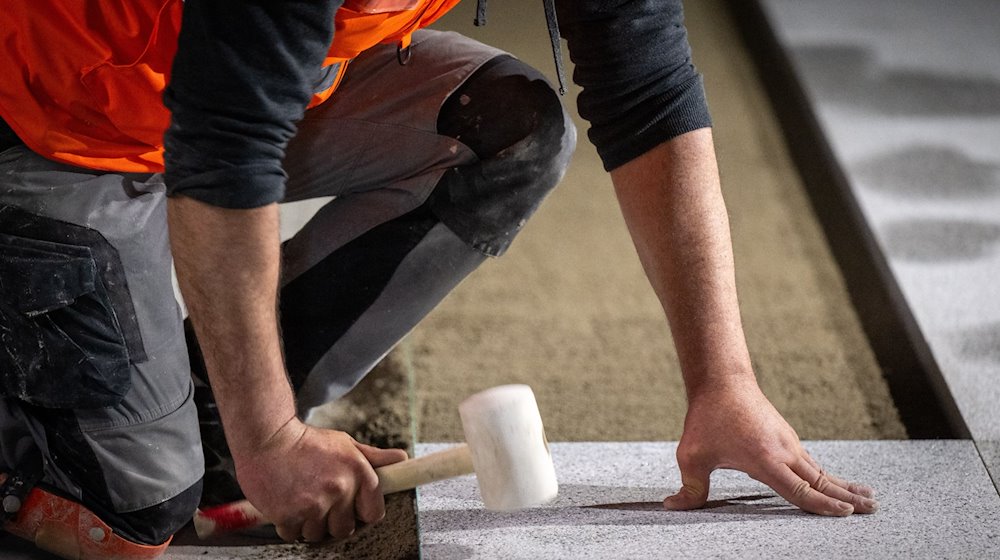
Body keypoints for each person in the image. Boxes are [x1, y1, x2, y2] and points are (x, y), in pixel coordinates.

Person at [0, 0, 877, 556]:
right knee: (130, 515)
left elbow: (646, 88)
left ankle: (213, 424)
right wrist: (270, 436)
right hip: (54, 109)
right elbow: (222, 155)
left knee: (509, 128)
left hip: (238, 85)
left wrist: (722, 381)